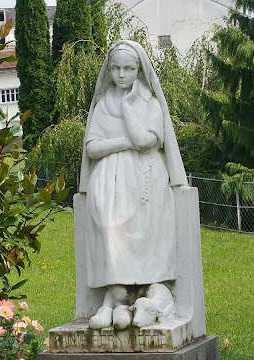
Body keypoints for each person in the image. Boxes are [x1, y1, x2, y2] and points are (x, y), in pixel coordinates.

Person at [78, 40, 187, 329]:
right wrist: (123, 143)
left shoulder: (149, 104)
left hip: (144, 180)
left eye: (129, 68)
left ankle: (125, 302)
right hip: (108, 182)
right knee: (108, 227)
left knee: (139, 234)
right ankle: (115, 300)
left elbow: (144, 141)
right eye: (116, 68)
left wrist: (127, 107)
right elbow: (92, 147)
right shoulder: (102, 104)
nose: (122, 75)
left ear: (139, 70)